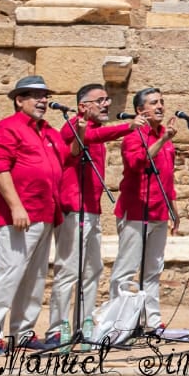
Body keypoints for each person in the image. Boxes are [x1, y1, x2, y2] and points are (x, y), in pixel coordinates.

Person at [0, 75, 65, 353]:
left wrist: (85, 127)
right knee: (8, 275)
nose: (43, 100)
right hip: (16, 217)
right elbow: (0, 169)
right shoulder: (7, 128)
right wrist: (16, 205)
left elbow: (68, 155)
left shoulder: (46, 130)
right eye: (35, 95)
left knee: (35, 277)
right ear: (19, 100)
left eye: (45, 96)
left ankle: (23, 332)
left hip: (45, 214)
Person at [51, 81, 131, 344]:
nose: (107, 104)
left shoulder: (94, 129)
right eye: (101, 100)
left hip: (92, 209)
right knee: (68, 269)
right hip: (74, 208)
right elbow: (87, 140)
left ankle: (84, 325)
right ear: (83, 106)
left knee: (93, 268)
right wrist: (128, 126)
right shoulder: (74, 125)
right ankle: (58, 327)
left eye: (107, 100)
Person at [109, 86, 178, 334]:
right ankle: (117, 321)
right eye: (153, 103)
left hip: (160, 212)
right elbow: (139, 163)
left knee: (153, 269)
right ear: (140, 110)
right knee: (127, 270)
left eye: (161, 101)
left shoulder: (165, 137)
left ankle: (151, 320)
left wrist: (174, 208)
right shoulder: (133, 136)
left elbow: (167, 177)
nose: (160, 106)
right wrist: (162, 140)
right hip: (137, 210)